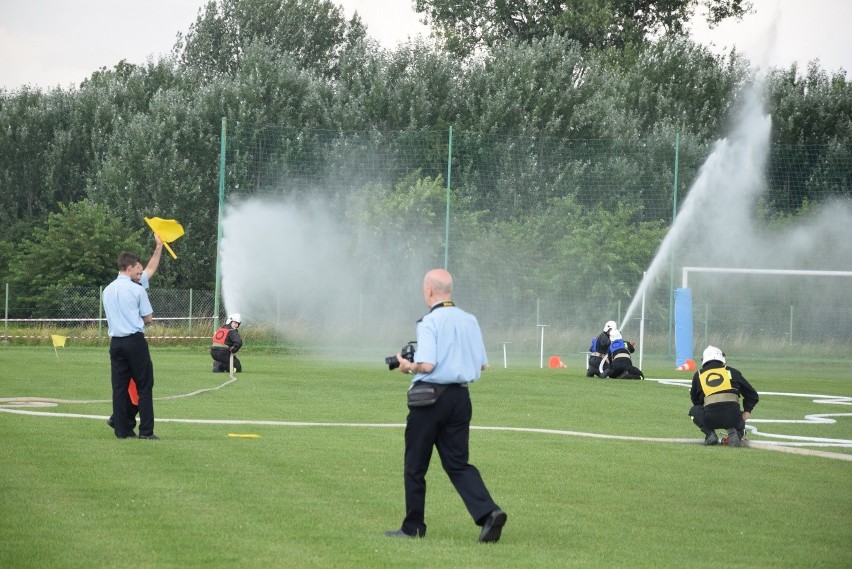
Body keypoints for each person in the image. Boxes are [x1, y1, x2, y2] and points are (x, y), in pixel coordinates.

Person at [385, 268, 507, 543]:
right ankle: (489, 513)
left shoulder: (429, 321)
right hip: (460, 398)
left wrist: (407, 366)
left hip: (430, 398)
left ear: (429, 290)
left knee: (415, 464)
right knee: (457, 463)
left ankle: (412, 526)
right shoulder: (469, 319)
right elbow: (483, 364)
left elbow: (427, 364)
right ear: (449, 290)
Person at [106, 235, 162, 430]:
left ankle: (121, 429)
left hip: (115, 343)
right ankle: (146, 431)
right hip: (134, 341)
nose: (141, 275)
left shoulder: (108, 290)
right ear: (129, 268)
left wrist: (159, 246)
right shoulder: (137, 290)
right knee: (144, 385)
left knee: (119, 388)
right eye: (138, 272)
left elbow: (150, 269)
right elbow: (148, 318)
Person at [688, 345, 759, 447]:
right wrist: (748, 410)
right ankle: (737, 433)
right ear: (722, 358)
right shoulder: (733, 372)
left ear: (704, 360)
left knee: (693, 411)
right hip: (733, 418)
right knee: (737, 415)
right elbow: (752, 394)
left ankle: (710, 434)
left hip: (710, 418)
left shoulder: (699, 375)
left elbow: (695, 401)